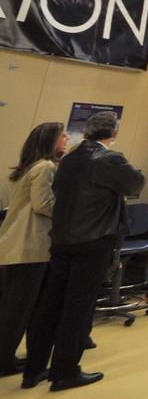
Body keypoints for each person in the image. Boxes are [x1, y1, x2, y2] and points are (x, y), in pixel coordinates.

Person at [23, 111, 144, 392]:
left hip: (63, 239)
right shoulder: (109, 158)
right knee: (79, 305)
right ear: (112, 133)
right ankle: (65, 371)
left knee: (50, 304)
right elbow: (136, 182)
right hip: (93, 240)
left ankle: (34, 368)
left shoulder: (68, 160)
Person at [0, 122, 69, 377]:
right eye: (62, 136)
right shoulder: (45, 167)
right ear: (50, 141)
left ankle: (5, 354)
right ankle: (3, 359)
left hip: (14, 244)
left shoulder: (28, 167)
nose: (66, 139)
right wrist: (68, 212)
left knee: (11, 306)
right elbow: (43, 204)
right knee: (19, 308)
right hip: (31, 246)